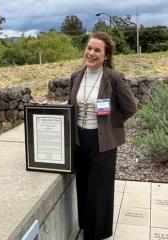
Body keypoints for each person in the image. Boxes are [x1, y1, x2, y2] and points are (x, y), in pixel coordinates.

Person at [68, 31, 137, 240]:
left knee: (99, 189)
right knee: (83, 185)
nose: (91, 53)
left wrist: (110, 126)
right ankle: (86, 225)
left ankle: (96, 233)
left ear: (106, 55)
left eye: (97, 50)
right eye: (89, 48)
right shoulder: (76, 77)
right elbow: (73, 104)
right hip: (79, 139)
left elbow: (131, 107)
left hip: (103, 142)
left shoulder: (113, 78)